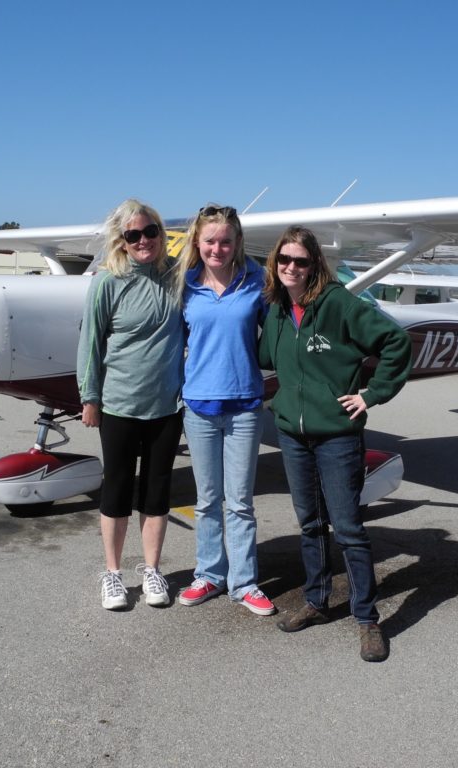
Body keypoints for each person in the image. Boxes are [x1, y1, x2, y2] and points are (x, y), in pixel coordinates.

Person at [257, 226, 411, 662]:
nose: (291, 267)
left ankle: (367, 619)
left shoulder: (338, 303)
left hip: (338, 435)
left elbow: (395, 341)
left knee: (348, 528)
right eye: (284, 259)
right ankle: (317, 600)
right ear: (275, 262)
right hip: (292, 434)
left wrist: (371, 394)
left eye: (300, 261)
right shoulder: (277, 309)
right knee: (310, 523)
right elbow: (266, 356)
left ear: (314, 265)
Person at [77, 199, 185, 611]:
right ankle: (113, 573)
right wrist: (90, 397)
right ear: (122, 240)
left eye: (150, 231)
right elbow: (90, 343)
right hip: (120, 405)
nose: (143, 240)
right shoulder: (107, 282)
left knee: (157, 492)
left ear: (160, 233)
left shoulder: (176, 277)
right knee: (117, 490)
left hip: (167, 406)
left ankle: (152, 569)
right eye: (133, 234)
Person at [173, 205, 275, 616]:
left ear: (238, 243)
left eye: (226, 241)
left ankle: (244, 582)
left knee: (240, 502)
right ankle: (210, 574)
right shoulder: (184, 285)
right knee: (207, 499)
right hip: (199, 406)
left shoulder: (257, 281)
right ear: (198, 242)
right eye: (210, 241)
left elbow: (280, 331)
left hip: (245, 405)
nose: (218, 248)